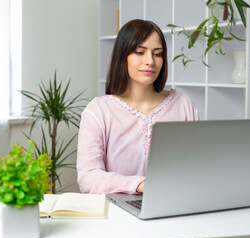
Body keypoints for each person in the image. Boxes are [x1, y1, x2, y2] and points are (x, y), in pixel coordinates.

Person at [77, 19, 199, 194]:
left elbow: (196, 167)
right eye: (140, 52)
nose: (150, 61)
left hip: (174, 206)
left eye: (158, 54)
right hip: (117, 214)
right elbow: (88, 178)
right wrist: (142, 185)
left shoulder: (183, 104)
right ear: (122, 56)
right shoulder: (98, 111)